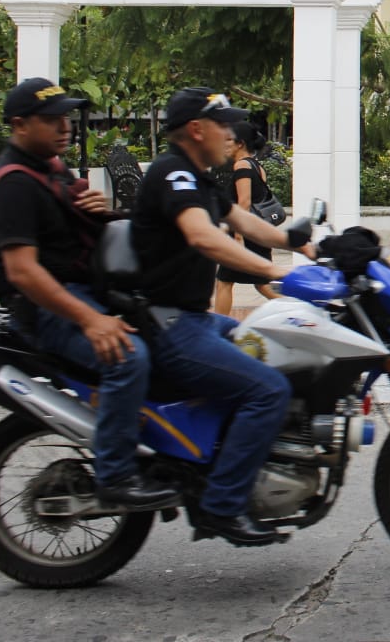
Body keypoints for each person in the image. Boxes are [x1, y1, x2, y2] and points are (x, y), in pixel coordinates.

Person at [0, 77, 181, 512]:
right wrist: (92, 320)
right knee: (127, 357)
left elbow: (67, 237)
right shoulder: (14, 182)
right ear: (19, 124)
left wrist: (97, 212)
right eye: (51, 120)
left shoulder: (50, 168)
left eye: (66, 117)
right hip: (48, 306)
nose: (64, 126)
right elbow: (23, 272)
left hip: (83, 288)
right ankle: (115, 477)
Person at [130, 86, 312, 546]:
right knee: (269, 390)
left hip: (192, 320)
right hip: (171, 325)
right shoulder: (174, 175)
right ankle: (222, 506)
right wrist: (279, 273)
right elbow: (203, 237)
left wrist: (311, 247)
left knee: (269, 349)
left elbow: (247, 222)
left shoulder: (198, 178)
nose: (230, 133)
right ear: (197, 129)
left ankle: (225, 462)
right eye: (222, 124)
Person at [213, 122, 278, 316]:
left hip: (245, 236)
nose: (225, 145)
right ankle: (300, 312)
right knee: (262, 285)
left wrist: (238, 239)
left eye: (228, 140)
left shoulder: (241, 166)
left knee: (223, 282)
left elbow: (244, 204)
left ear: (240, 143)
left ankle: (219, 328)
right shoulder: (256, 166)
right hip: (257, 234)